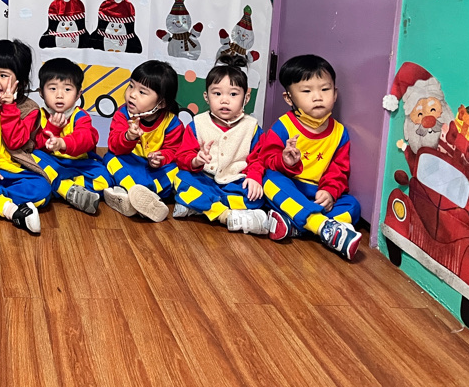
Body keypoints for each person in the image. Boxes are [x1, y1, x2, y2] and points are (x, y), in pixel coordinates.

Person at [252, 54, 362, 260]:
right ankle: (321, 226)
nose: (317, 97)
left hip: (317, 193)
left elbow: (339, 170)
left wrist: (330, 191)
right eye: (306, 91)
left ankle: (296, 226)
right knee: (269, 181)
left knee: (353, 206)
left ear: (335, 94)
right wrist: (284, 161)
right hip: (291, 187)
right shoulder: (284, 125)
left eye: (325, 89)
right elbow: (266, 160)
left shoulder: (340, 133)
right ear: (289, 98)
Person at [171, 55, 270, 234]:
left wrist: (254, 177)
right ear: (206, 97)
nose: (224, 100)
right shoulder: (197, 124)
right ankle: (225, 215)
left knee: (257, 198)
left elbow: (259, 158)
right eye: (217, 94)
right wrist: (196, 160)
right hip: (204, 179)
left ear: (246, 98)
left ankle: (200, 206)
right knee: (180, 179)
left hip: (235, 182)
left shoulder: (252, 127)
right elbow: (182, 156)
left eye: (233, 94)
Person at [0, 40, 52, 234]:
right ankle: (0, 203)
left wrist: (9, 108)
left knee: (43, 190)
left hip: (14, 169)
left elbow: (15, 142)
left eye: (3, 75)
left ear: (19, 82)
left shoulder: (30, 109)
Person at [102, 60, 185, 222]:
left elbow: (173, 151)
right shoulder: (123, 114)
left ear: (161, 103)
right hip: (130, 163)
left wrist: (160, 158)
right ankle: (141, 197)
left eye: (142, 92)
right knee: (110, 159)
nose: (132, 94)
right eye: (131, 86)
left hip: (153, 171)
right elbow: (114, 145)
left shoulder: (172, 124)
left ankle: (132, 196)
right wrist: (128, 137)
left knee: (177, 170)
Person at [30, 57, 110, 214]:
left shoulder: (80, 116)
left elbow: (87, 138)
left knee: (105, 179)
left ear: (78, 94)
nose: (60, 95)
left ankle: (60, 187)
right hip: (51, 163)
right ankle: (64, 188)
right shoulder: (38, 115)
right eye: (52, 89)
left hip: (77, 164)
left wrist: (62, 143)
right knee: (32, 159)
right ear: (41, 93)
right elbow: (36, 144)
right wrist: (53, 129)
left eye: (67, 89)